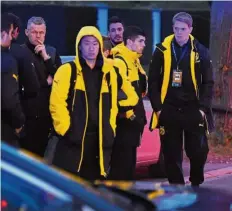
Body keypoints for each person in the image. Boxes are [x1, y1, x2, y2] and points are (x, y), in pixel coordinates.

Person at [148, 12, 214, 186]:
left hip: (193, 108)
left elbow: (208, 82)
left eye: (183, 29)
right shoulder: (161, 50)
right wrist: (158, 108)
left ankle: (196, 181)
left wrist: (202, 109)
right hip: (169, 108)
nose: (179, 33)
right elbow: (152, 80)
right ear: (172, 28)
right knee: (171, 152)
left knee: (199, 150)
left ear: (190, 29)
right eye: (176, 29)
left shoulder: (200, 51)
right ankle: (177, 187)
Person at [50, 26, 119, 181]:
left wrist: (110, 129)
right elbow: (56, 103)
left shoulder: (109, 73)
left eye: (95, 44)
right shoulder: (67, 70)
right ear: (79, 46)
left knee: (95, 189)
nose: (91, 48)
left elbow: (113, 105)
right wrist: (66, 130)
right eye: (87, 43)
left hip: (100, 140)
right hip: (73, 140)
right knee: (71, 187)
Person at [108, 26, 148, 180]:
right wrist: (131, 116)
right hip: (124, 125)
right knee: (121, 169)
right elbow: (117, 94)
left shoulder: (134, 61)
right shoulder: (120, 62)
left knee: (129, 169)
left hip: (133, 126)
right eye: (140, 41)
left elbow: (140, 91)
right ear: (129, 42)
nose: (144, 44)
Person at [20, 16, 62, 157]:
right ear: (26, 32)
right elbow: (25, 84)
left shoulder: (51, 52)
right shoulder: (20, 53)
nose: (38, 36)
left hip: (47, 118)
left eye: (41, 32)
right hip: (27, 118)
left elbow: (61, 80)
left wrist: (46, 57)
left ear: (45, 33)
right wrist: (45, 82)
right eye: (34, 32)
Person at [1, 14, 25, 147]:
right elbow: (9, 100)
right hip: (5, 130)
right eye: (10, 33)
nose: (11, 38)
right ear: (4, 33)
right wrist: (18, 123)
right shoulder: (7, 61)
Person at [5, 12, 40, 99]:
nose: (38, 36)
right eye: (34, 32)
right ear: (16, 31)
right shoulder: (22, 53)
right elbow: (33, 88)